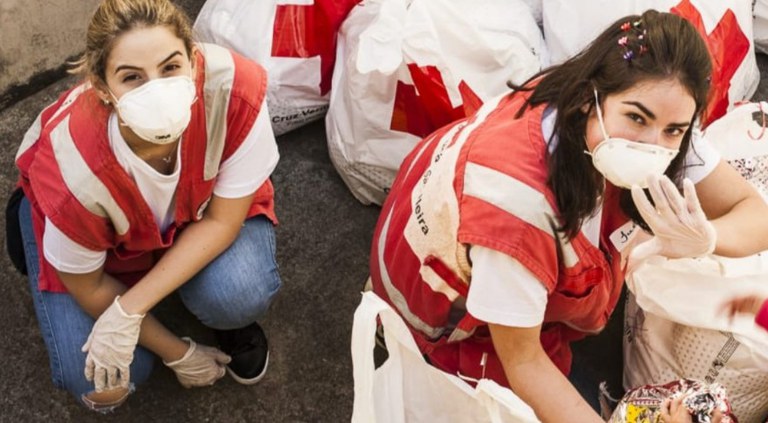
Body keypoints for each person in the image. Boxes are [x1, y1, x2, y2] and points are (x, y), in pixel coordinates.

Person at [368, 9, 768, 422]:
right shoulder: (517, 208)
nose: (653, 147)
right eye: (636, 118)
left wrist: (708, 240)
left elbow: (756, 215)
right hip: (450, 323)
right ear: (587, 100)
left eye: (674, 130)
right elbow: (523, 363)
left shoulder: (650, 117)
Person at [11, 0, 281, 412]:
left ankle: (214, 315)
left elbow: (225, 221)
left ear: (193, 59)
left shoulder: (234, 91)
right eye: (132, 77)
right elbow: (90, 285)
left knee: (238, 293)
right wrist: (178, 351)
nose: (156, 89)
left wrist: (130, 309)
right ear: (102, 88)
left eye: (170, 67)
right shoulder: (72, 171)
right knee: (105, 383)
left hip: (193, 218)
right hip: (92, 244)